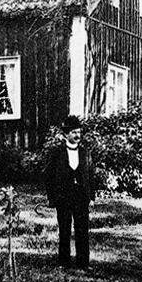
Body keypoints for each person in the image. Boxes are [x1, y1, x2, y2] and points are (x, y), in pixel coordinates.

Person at [45, 115, 95, 269]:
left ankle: (83, 263)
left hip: (81, 196)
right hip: (64, 196)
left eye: (79, 132)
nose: (77, 135)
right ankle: (64, 263)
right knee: (65, 230)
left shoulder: (85, 153)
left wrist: (92, 197)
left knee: (82, 230)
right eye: (74, 132)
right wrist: (52, 197)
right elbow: (49, 176)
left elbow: (91, 175)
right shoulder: (57, 153)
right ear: (66, 134)